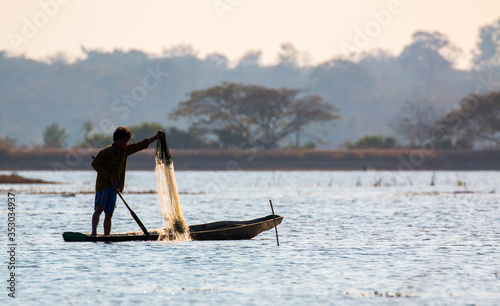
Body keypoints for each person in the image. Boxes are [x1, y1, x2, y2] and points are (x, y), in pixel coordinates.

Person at [91, 126, 163, 236]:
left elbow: (141, 145)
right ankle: (94, 233)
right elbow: (95, 164)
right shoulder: (106, 152)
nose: (126, 144)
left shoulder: (125, 151)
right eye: (124, 142)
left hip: (114, 185)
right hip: (104, 185)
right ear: (118, 140)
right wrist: (106, 176)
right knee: (100, 208)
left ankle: (106, 236)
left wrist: (156, 137)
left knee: (109, 213)